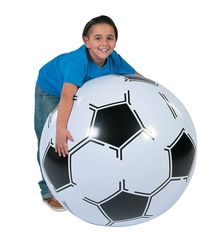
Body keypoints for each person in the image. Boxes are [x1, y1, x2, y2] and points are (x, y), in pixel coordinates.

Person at [34, 15, 140, 211]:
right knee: (48, 140)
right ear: (86, 41)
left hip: (77, 92)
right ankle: (48, 191)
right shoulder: (77, 62)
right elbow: (66, 96)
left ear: (115, 41)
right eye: (98, 38)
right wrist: (61, 127)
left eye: (110, 38)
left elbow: (135, 77)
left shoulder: (113, 59)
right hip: (50, 90)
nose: (104, 43)